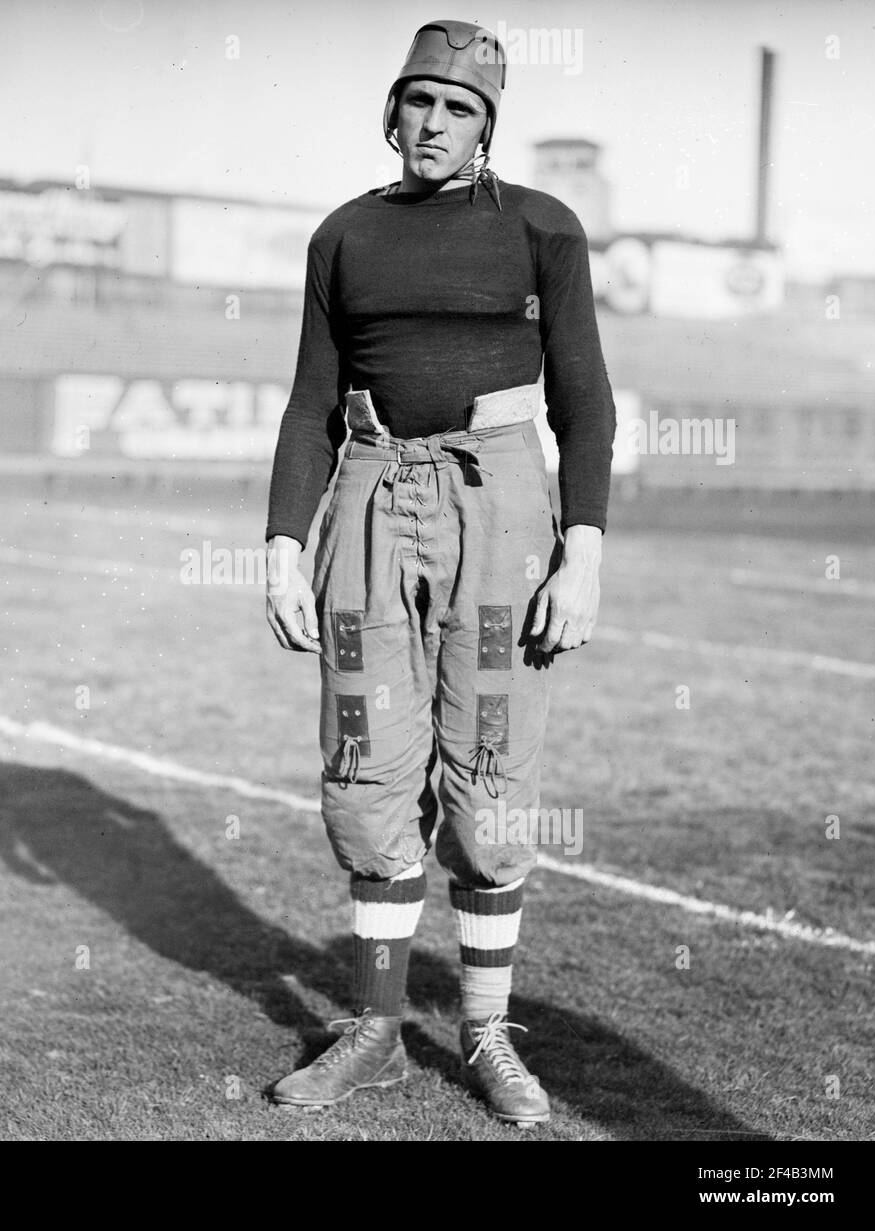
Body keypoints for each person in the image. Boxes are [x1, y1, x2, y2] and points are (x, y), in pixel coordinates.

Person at [264, 18, 615, 1126]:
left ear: (486, 126)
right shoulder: (344, 236)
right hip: (369, 497)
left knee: (490, 780)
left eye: (459, 107)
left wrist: (585, 551)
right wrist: (281, 542)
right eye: (419, 101)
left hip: (500, 506)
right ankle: (370, 1026)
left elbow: (585, 399)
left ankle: (483, 1029)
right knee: (367, 770)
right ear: (392, 109)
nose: (434, 123)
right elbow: (308, 400)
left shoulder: (540, 229)